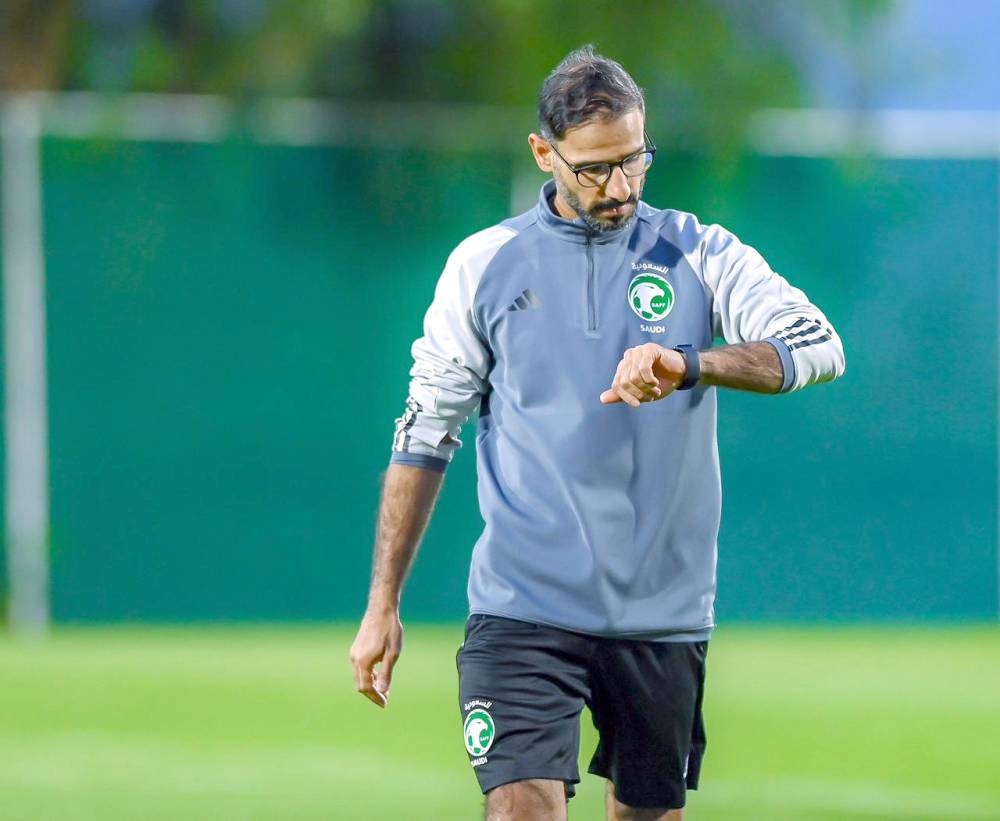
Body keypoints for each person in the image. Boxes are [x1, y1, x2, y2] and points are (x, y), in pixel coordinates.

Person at [350, 45, 845, 821]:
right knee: (521, 807)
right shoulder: (483, 266)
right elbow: (424, 434)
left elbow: (818, 345)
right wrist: (383, 601)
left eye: (634, 160)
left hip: (662, 614)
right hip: (521, 606)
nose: (620, 187)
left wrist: (690, 364)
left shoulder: (698, 251)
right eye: (594, 169)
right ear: (542, 153)